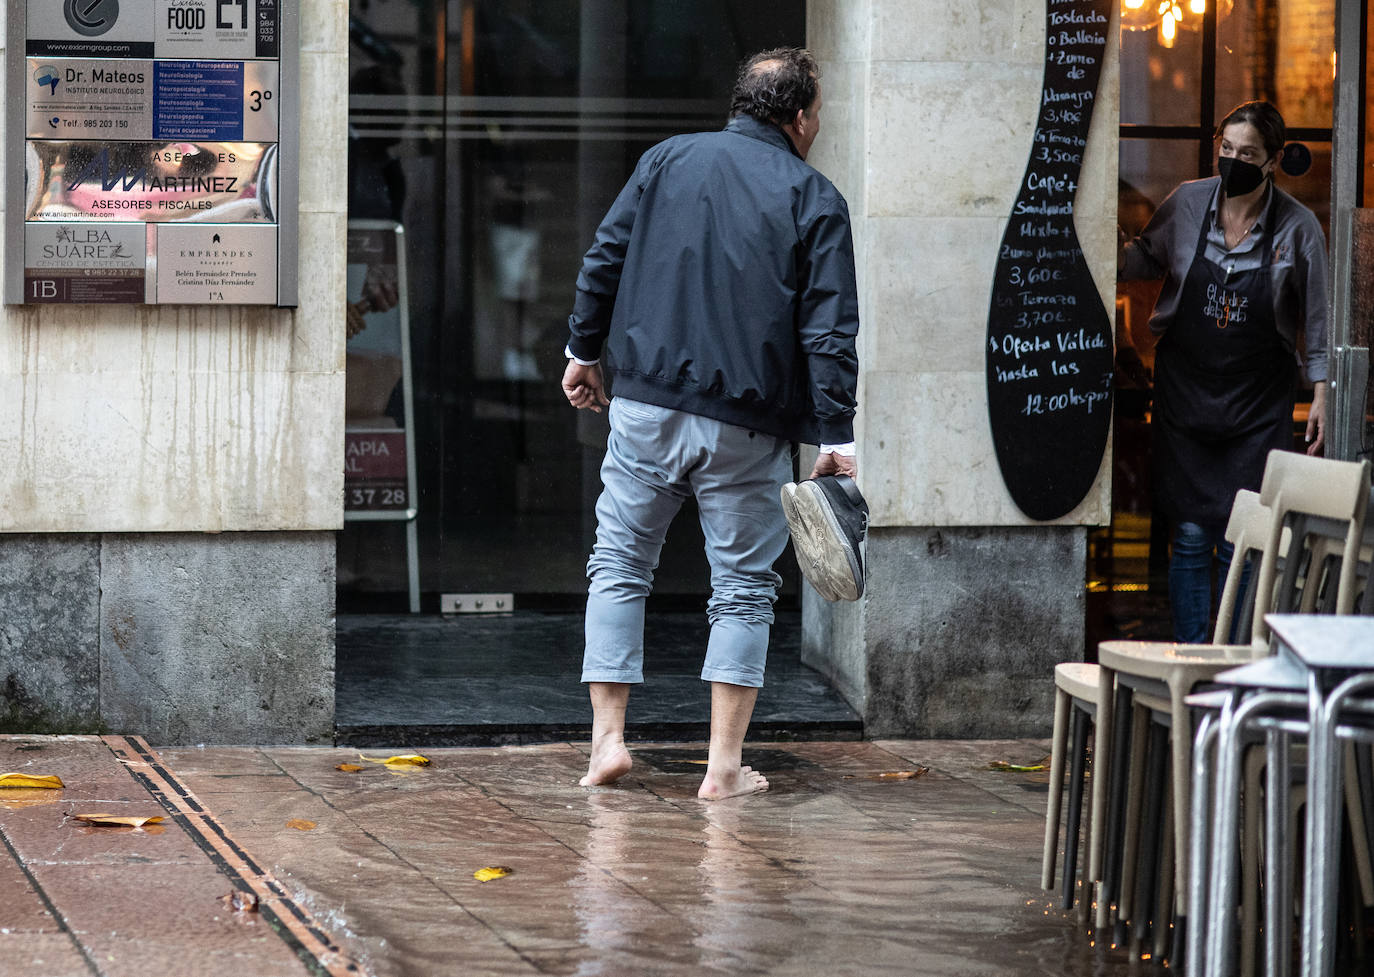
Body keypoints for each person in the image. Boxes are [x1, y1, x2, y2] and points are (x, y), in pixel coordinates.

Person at [561, 48, 860, 800]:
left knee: (619, 564)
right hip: (747, 426)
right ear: (797, 117)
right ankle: (722, 769)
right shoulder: (814, 196)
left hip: (646, 405)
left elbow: (603, 259)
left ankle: (608, 743)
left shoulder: (666, 161)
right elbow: (828, 332)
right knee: (743, 588)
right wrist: (837, 436)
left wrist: (582, 352)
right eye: (817, 112)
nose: (818, 124)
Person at [1119, 100, 1329, 642]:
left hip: (1257, 406)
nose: (1233, 160)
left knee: (1242, 540)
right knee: (1189, 536)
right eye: (1226, 149)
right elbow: (1144, 257)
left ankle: (1230, 659)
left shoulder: (1299, 229)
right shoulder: (1186, 204)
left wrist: (1324, 391)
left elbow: (1318, 316)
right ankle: (1194, 659)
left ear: (1273, 160)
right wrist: (1096, 238)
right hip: (1185, 398)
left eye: (1248, 153)